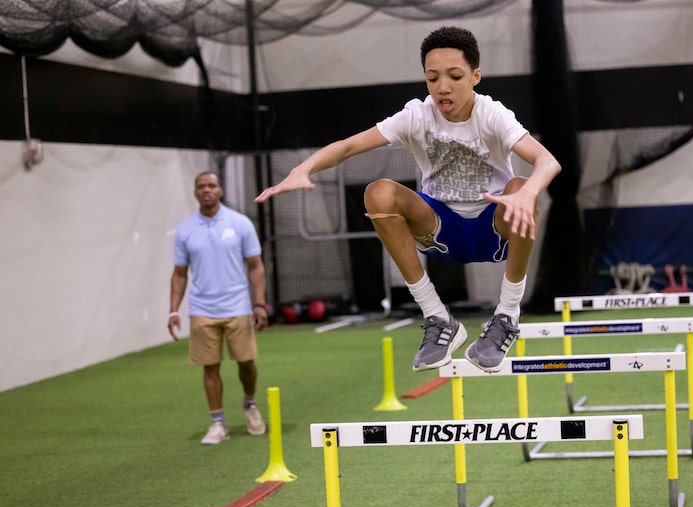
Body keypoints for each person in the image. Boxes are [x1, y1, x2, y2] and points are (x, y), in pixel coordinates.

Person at [255, 26, 561, 373]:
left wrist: (529, 193)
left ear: (476, 75)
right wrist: (304, 168)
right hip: (439, 230)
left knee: (522, 186)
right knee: (378, 192)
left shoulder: (492, 115)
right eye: (433, 78)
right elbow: (349, 146)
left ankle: (507, 316)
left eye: (455, 76)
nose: (442, 87)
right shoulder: (416, 116)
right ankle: (437, 317)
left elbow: (548, 161)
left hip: (494, 228)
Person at [169, 171, 269, 445]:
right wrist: (173, 310)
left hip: (237, 306)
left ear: (220, 190)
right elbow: (179, 273)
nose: (206, 190)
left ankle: (250, 405)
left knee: (246, 362)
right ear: (195, 192)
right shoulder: (186, 230)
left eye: (211, 185)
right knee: (209, 367)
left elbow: (255, 266)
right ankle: (218, 424)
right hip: (202, 309)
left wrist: (259, 304)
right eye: (201, 186)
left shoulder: (240, 224)